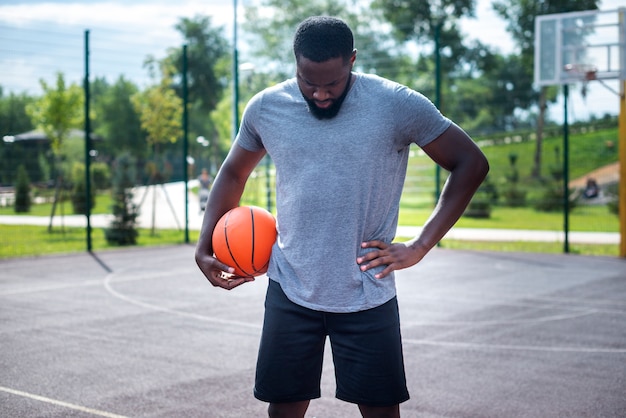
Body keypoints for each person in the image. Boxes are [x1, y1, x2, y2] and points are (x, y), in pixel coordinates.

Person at [195, 16, 489, 418]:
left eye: (331, 83)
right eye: (307, 81)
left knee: (380, 410)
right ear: (295, 63)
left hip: (366, 288)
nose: (318, 93)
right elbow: (233, 172)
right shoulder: (266, 108)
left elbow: (470, 162)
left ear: (352, 60)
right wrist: (204, 244)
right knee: (283, 407)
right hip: (291, 284)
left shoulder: (396, 104)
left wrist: (420, 246)